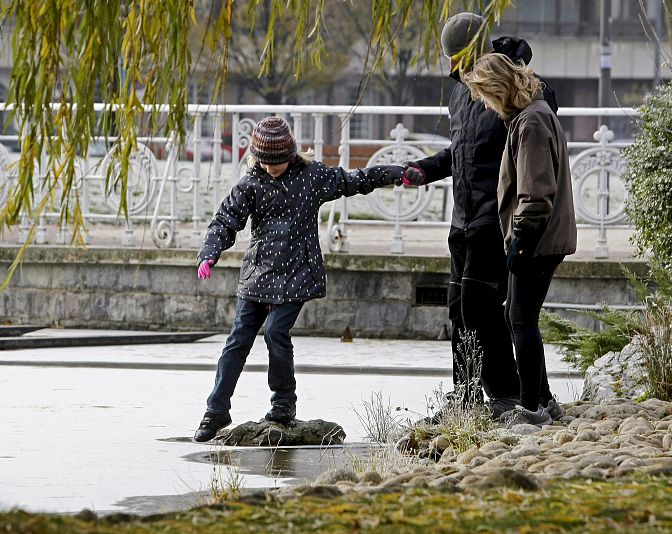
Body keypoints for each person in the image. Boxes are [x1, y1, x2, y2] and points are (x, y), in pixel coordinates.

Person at [193, 117, 406, 442]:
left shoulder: (312, 177)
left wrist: (393, 173)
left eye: (278, 162)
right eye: (267, 162)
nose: (273, 167)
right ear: (257, 158)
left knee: (277, 333)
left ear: (291, 155)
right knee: (237, 341)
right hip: (258, 274)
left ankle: (283, 405)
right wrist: (210, 252)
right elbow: (225, 220)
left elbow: (354, 180)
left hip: (297, 274)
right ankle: (216, 409)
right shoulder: (251, 183)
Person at [401, 13, 559, 420]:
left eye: (462, 57)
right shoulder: (458, 94)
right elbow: (460, 154)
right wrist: (423, 169)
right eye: (452, 59)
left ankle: (507, 394)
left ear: (480, 50)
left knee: (481, 307)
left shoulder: (520, 88)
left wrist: (525, 224)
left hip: (497, 218)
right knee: (459, 308)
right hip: (463, 219)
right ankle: (471, 396)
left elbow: (533, 147)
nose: (456, 67)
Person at [464, 53, 577, 426]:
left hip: (538, 239)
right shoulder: (535, 115)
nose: (484, 104)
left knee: (521, 318)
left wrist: (520, 241)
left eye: (485, 96)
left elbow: (536, 192)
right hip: (543, 236)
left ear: (499, 91)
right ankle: (544, 399)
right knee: (516, 316)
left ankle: (531, 407)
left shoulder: (530, 123)